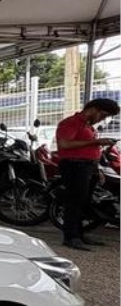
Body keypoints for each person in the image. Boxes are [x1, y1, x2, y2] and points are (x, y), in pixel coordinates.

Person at [55, 97, 119, 250]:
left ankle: (78, 234)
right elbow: (64, 143)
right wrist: (96, 142)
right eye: (102, 115)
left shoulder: (88, 126)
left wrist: (97, 169)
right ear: (93, 109)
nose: (102, 119)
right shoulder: (71, 123)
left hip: (87, 166)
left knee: (83, 202)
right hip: (74, 166)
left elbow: (90, 150)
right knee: (74, 202)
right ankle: (70, 237)